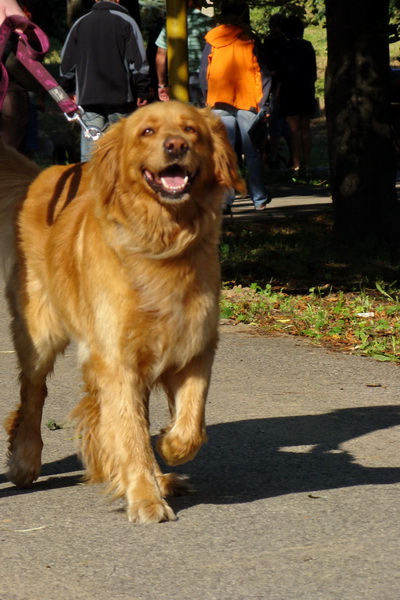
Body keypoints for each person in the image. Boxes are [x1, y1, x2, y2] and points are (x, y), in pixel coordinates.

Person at [199, 0, 272, 211]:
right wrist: (264, 103)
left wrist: (207, 98)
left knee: (225, 152)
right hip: (248, 100)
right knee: (252, 152)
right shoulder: (250, 39)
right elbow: (263, 74)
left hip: (219, 100)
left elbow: (204, 72)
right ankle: (259, 199)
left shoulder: (213, 39)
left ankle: (226, 200)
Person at [60, 0, 150, 162]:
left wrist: (68, 90)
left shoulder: (80, 23)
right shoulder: (127, 22)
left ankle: (90, 185)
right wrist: (142, 89)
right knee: (124, 149)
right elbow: (138, 63)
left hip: (88, 97)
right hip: (121, 97)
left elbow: (67, 63)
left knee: (91, 153)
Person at [275, 15, 317, 173]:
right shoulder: (308, 46)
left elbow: (281, 73)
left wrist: (278, 92)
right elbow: (313, 73)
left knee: (294, 128)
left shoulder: (284, 47)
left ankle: (296, 162)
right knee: (306, 127)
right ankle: (307, 163)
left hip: (289, 89)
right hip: (306, 88)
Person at [155, 0, 212, 106]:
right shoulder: (208, 23)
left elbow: (160, 57)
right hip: (202, 77)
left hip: (176, 79)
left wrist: (162, 84)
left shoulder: (171, 24)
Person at [262, 12, 291, 168]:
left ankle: (276, 156)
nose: (276, 30)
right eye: (274, 27)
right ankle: (274, 156)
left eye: (278, 27)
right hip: (269, 85)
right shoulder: (268, 42)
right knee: (277, 122)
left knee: (279, 122)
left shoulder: (284, 44)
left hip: (280, 87)